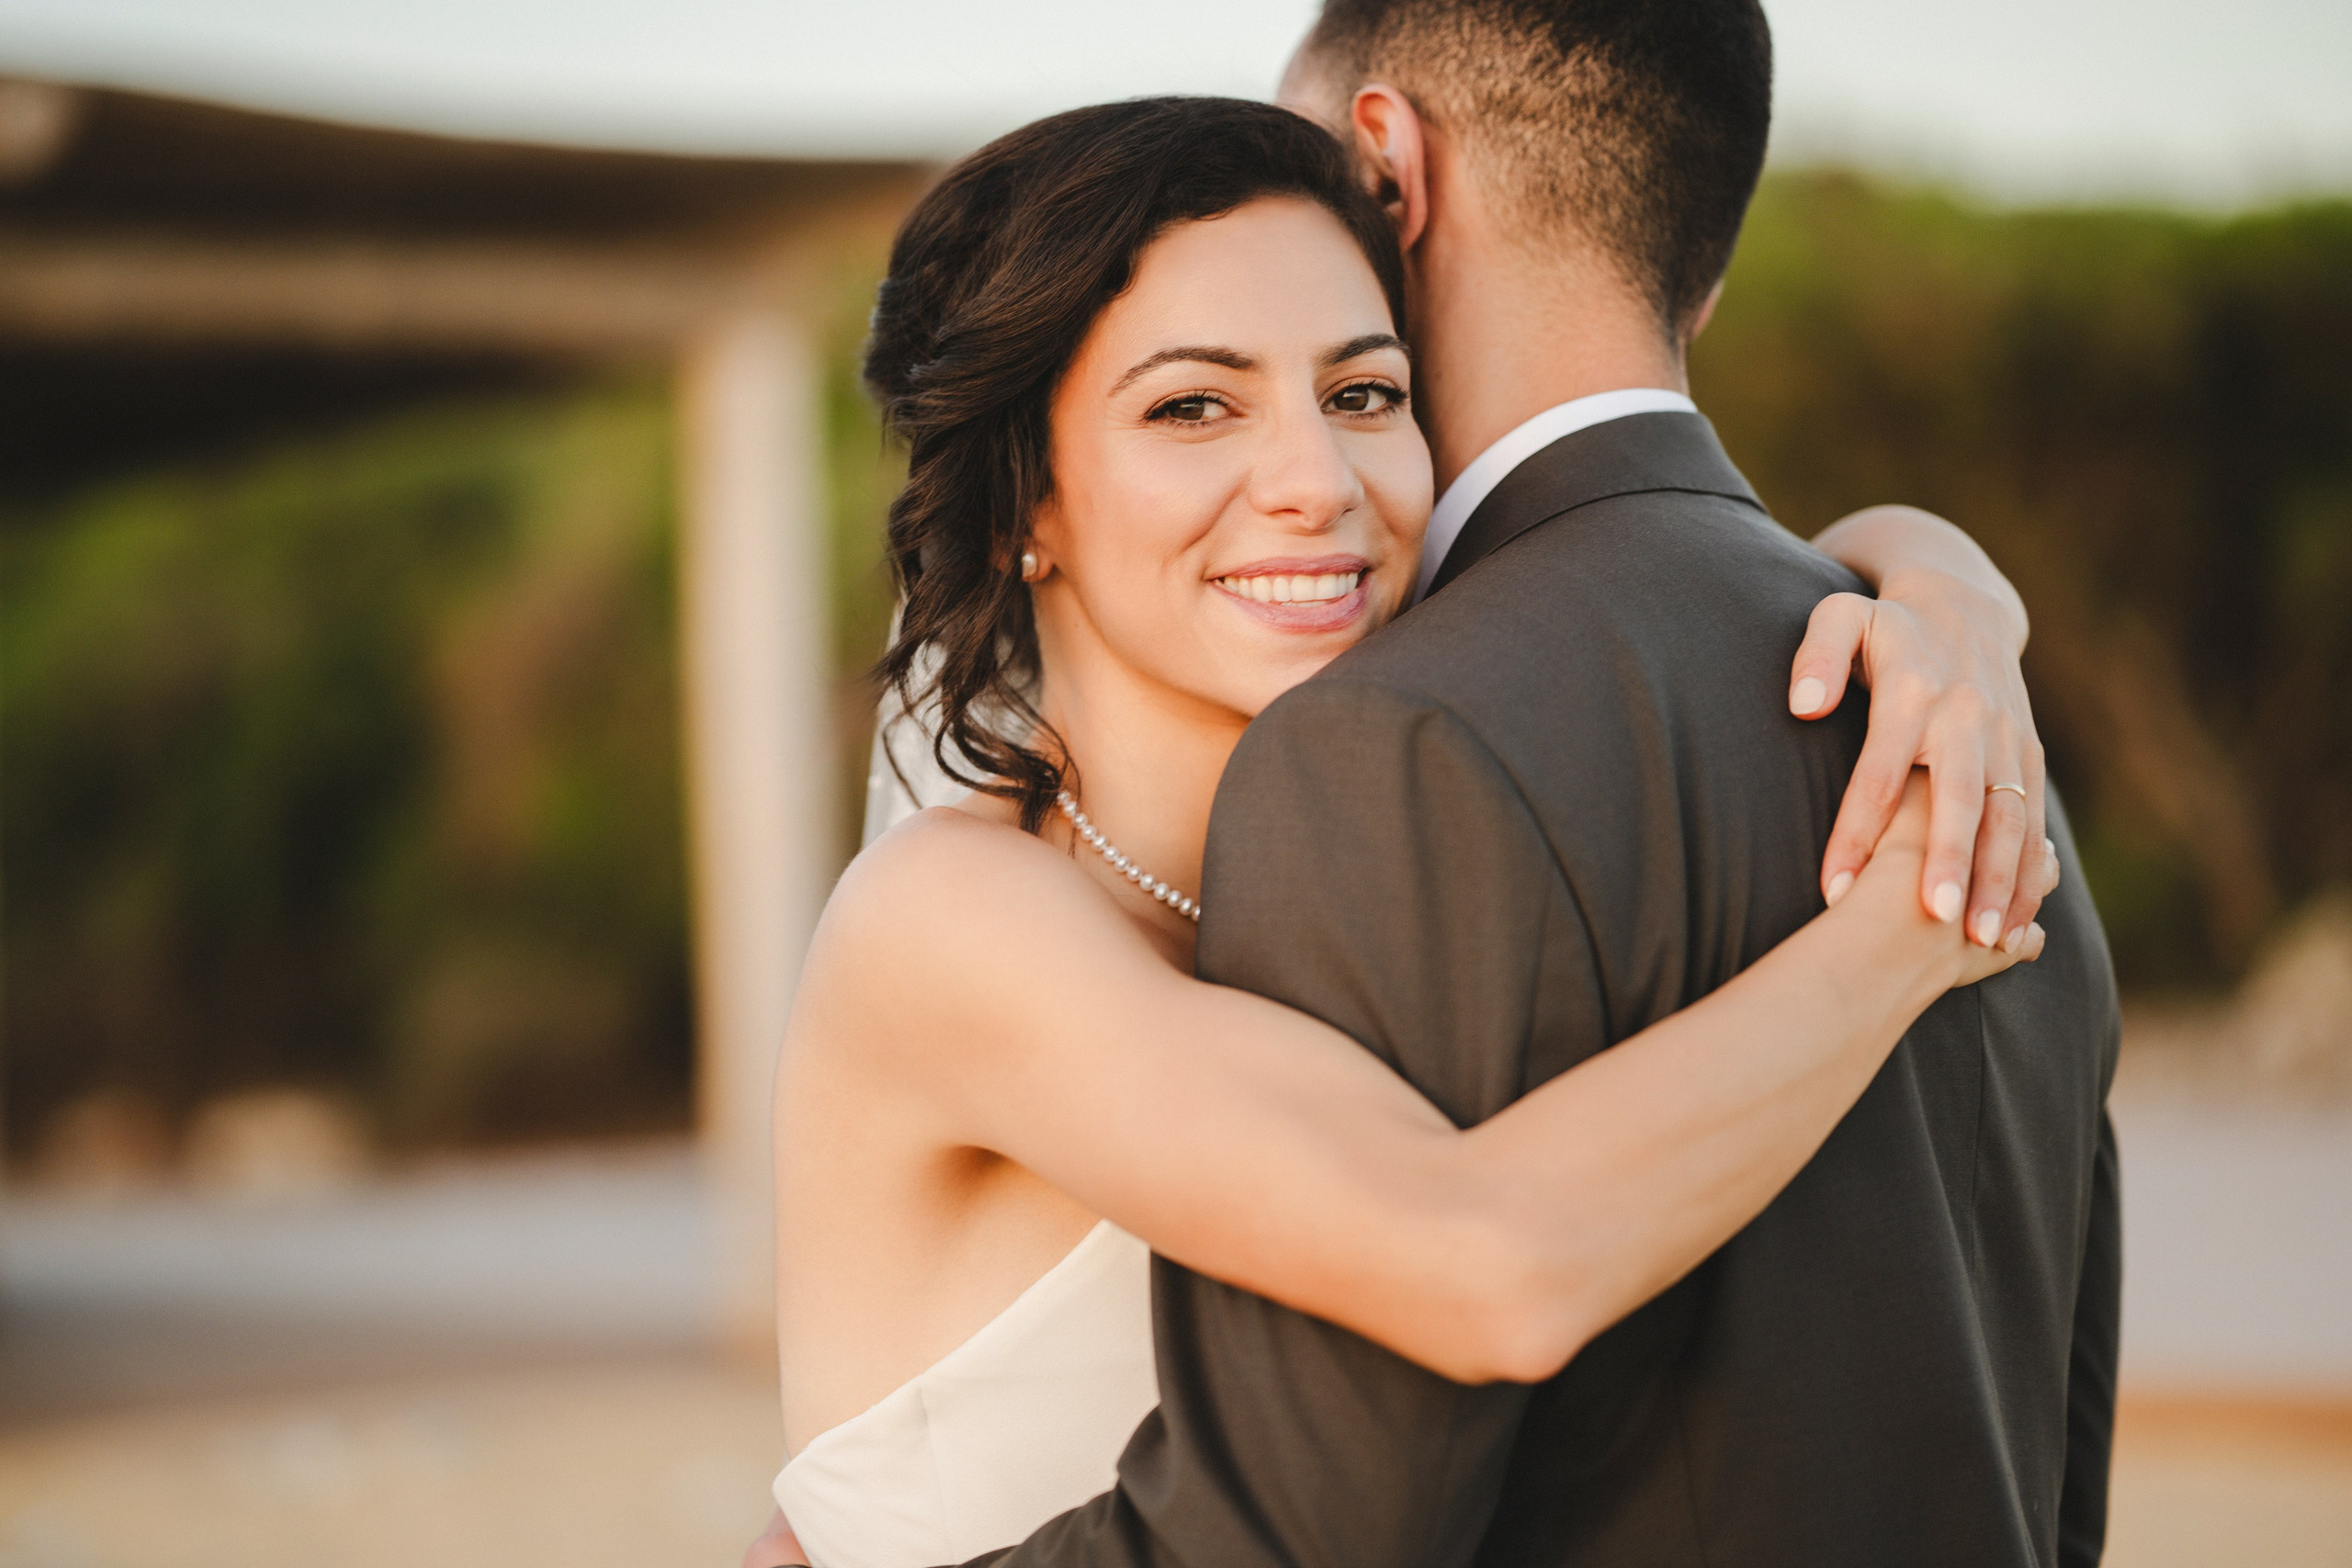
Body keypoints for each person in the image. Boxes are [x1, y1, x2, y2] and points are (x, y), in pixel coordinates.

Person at [750, 63, 2104, 1568]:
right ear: (1025, 507)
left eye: (1364, 394)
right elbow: (1493, 1267)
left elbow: (1687, 569)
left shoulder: (1373, 860)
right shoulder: (951, 918)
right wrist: (1907, 930)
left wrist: (1941, 582)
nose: (1315, 482)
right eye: (1193, 406)